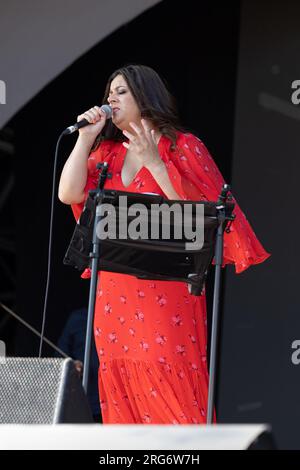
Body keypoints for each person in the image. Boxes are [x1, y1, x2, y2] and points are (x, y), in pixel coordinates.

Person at [58, 64, 270, 424]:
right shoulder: (107, 153)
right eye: (109, 91)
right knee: (122, 394)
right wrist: (84, 139)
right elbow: (69, 193)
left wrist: (158, 166)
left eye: (121, 91)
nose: (111, 98)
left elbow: (204, 219)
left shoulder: (183, 146)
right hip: (115, 295)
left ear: (146, 95)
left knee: (172, 390)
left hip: (166, 293)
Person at [55, 307, 101, 423]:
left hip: (111, 401)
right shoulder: (77, 318)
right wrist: (72, 365)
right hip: (84, 399)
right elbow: (59, 357)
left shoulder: (118, 318)